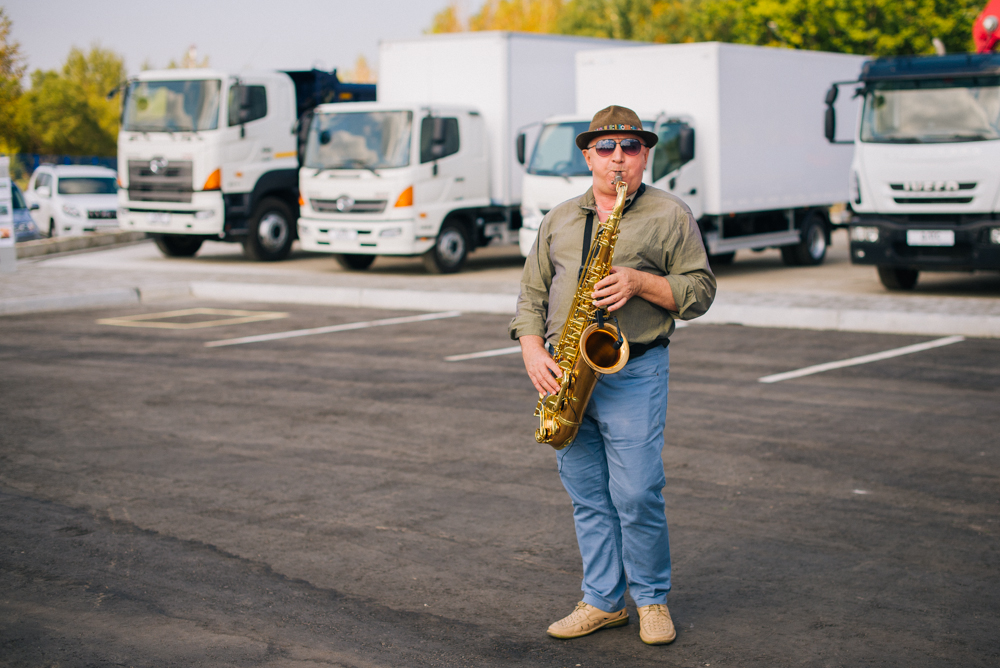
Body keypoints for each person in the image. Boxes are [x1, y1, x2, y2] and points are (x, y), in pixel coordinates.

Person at [509, 106, 717, 645]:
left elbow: (700, 293)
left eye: (630, 147)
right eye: (606, 148)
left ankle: (650, 599)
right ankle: (603, 601)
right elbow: (532, 293)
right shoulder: (557, 218)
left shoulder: (670, 215)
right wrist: (533, 349)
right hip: (565, 372)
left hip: (634, 369)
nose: (618, 158)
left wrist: (639, 282)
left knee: (638, 492)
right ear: (588, 155)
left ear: (646, 154)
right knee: (587, 496)